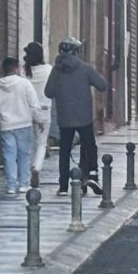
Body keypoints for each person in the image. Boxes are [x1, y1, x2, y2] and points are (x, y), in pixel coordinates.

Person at [45, 37, 109, 196]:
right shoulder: (85, 68)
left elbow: (48, 92)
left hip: (65, 117)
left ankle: (63, 186)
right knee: (89, 146)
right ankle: (91, 175)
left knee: (64, 151)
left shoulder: (56, 70)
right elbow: (102, 85)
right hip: (84, 116)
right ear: (75, 52)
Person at [0, 57, 43, 195]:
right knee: (24, 154)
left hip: (6, 126)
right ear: (16, 69)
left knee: (9, 156)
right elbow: (34, 104)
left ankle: (11, 185)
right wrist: (39, 120)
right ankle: (24, 183)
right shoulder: (25, 84)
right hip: (24, 124)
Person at [23, 42, 55, 161]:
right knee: (41, 143)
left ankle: (29, 165)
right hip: (44, 109)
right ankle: (37, 166)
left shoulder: (24, 71)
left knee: (30, 142)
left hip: (28, 110)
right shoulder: (49, 70)